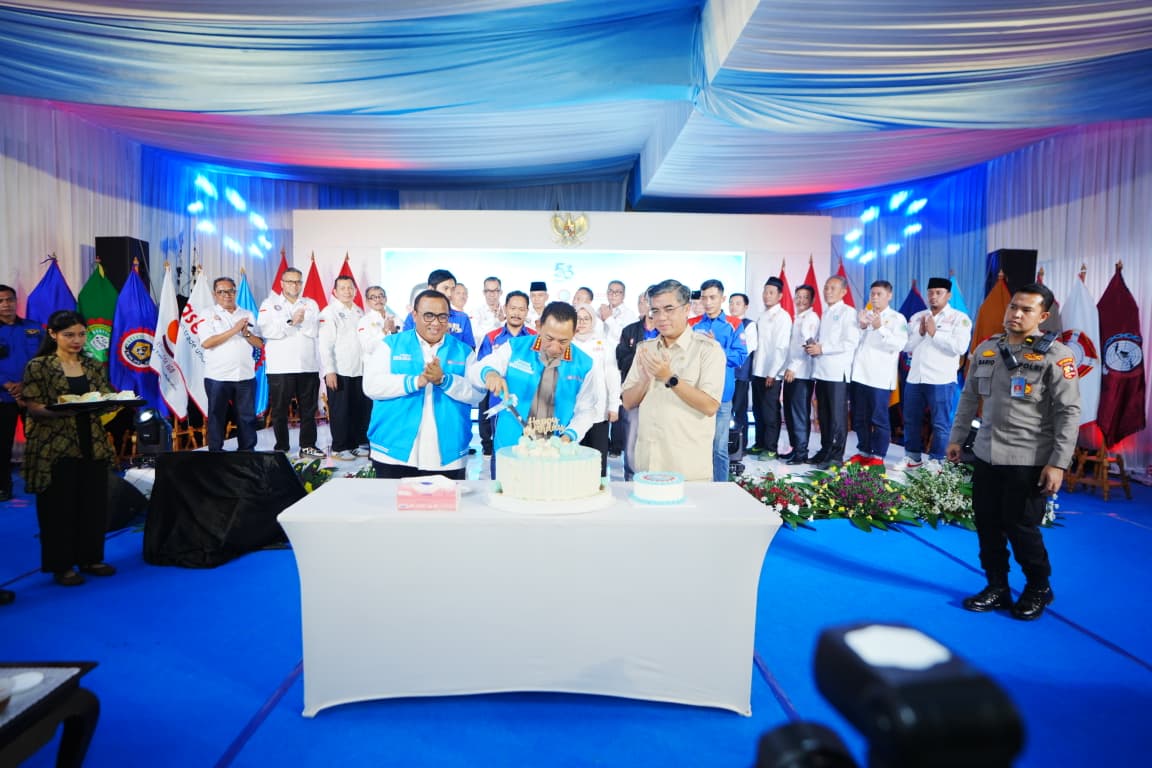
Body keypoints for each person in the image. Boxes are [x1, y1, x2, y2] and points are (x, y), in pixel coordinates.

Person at [947, 283, 1079, 621]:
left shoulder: (1057, 356)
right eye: (1013, 307)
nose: (1016, 314)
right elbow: (968, 398)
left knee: (1021, 528)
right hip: (987, 454)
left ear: (1043, 316)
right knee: (987, 524)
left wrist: (1058, 463)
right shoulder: (987, 349)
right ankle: (997, 586)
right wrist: (957, 438)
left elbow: (1068, 412)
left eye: (1026, 310)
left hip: (1028, 458)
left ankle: (1038, 587)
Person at [20, 310, 117, 586]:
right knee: (57, 508)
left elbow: (103, 397)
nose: (77, 340)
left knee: (93, 504)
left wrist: (115, 402)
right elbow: (33, 406)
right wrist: (62, 411)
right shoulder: (39, 365)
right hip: (55, 444)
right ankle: (61, 566)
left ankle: (91, 558)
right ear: (52, 334)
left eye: (81, 334)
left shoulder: (93, 364)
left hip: (92, 442)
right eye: (69, 335)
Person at [363, 290, 483, 479]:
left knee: (447, 499)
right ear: (414, 315)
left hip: (448, 454)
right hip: (393, 451)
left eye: (442, 316)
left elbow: (478, 392)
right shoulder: (390, 345)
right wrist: (415, 381)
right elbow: (371, 385)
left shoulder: (464, 351)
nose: (436, 323)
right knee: (391, 499)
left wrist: (444, 380)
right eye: (429, 315)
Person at [622, 280, 725, 482]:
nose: (661, 317)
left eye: (669, 309)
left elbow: (710, 406)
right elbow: (627, 402)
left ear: (686, 308)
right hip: (648, 465)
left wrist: (669, 377)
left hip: (686, 467)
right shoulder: (645, 349)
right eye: (655, 311)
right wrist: (644, 380)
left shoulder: (708, 350)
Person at [472, 301, 598, 464]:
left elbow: (586, 410)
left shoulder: (584, 365)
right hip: (510, 449)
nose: (554, 348)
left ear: (574, 333)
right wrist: (490, 374)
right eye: (549, 338)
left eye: (563, 341)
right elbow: (476, 371)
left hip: (555, 453)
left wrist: (569, 436)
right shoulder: (515, 348)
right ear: (539, 327)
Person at [898, 277, 973, 469]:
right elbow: (906, 346)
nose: (933, 296)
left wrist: (935, 334)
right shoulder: (917, 317)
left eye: (939, 292)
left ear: (948, 295)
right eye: (930, 292)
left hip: (941, 379)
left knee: (940, 423)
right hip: (915, 378)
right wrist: (921, 333)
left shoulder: (960, 318)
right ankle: (913, 457)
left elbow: (960, 347)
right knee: (911, 420)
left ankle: (936, 461)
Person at [258, 267, 324, 459]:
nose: (294, 285)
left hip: (308, 365)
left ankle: (308, 446)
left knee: (308, 410)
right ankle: (282, 447)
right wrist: (291, 322)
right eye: (290, 281)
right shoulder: (269, 304)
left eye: (298, 281)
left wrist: (299, 323)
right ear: (282, 283)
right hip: (281, 367)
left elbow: (315, 330)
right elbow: (267, 331)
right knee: (279, 410)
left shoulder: (310, 303)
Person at [689, 279, 747, 481]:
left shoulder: (735, 324)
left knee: (720, 448)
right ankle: (696, 483)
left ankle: (721, 488)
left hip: (722, 394)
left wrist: (716, 348)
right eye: (704, 298)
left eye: (712, 297)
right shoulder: (693, 324)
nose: (707, 302)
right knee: (696, 445)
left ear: (722, 299)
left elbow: (740, 357)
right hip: (696, 394)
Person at [847, 281, 909, 466]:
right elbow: (852, 343)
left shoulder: (897, 318)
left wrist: (880, 328)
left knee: (879, 418)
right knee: (860, 417)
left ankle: (878, 456)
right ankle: (864, 451)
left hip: (880, 378)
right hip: (859, 375)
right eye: (872, 293)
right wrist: (861, 327)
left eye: (879, 294)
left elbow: (900, 345)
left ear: (889, 295)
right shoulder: (865, 315)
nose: (874, 297)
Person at [199, 277, 264, 451]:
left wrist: (246, 333)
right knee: (217, 416)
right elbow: (207, 342)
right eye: (221, 292)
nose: (226, 295)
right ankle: (216, 452)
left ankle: (247, 452)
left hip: (245, 375)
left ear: (235, 292)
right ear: (214, 294)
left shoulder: (247, 314)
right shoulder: (207, 314)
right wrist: (235, 330)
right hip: (218, 376)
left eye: (230, 291)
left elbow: (259, 343)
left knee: (246, 417)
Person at [805, 276, 860, 469]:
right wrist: (813, 346)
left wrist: (822, 348)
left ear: (843, 292)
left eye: (833, 288)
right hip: (822, 371)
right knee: (824, 414)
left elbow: (850, 342)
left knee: (837, 417)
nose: (828, 291)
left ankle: (836, 455)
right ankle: (825, 449)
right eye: (826, 287)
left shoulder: (848, 312)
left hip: (837, 372)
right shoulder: (826, 312)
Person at [476, 290, 535, 457]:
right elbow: (482, 368)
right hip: (499, 402)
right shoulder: (491, 337)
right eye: (513, 308)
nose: (516, 313)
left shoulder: (535, 338)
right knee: (501, 451)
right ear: (505, 309)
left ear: (527, 311)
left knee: (530, 450)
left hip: (528, 403)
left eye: (521, 309)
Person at [319, 275, 369, 460]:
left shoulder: (359, 312)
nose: (347, 291)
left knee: (357, 408)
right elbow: (325, 345)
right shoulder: (329, 312)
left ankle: (355, 444)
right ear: (335, 292)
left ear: (355, 290)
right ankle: (339, 447)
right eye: (343, 288)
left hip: (359, 369)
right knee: (340, 410)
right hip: (339, 369)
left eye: (350, 288)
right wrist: (329, 370)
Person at [0, 284, 42, 501]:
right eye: (0, 301)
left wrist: (25, 385)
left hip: (32, 394)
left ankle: (39, 482)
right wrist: (6, 384)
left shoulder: (34, 328)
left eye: (9, 299)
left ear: (16, 301)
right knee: (2, 446)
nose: (6, 304)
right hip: (2, 396)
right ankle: (3, 487)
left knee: (39, 442)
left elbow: (44, 360)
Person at [573, 305, 620, 477]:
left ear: (593, 321)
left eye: (586, 318)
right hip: (573, 411)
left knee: (597, 457)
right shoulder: (567, 343)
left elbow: (612, 376)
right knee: (575, 458)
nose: (582, 322)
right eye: (578, 318)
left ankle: (599, 486)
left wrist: (614, 405)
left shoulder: (603, 344)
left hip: (598, 410)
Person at [615, 290, 657, 480]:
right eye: (645, 302)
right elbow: (621, 359)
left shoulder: (667, 332)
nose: (649, 306)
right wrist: (642, 356)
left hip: (659, 392)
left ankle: (656, 476)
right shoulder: (630, 331)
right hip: (634, 391)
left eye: (652, 302)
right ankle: (631, 477)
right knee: (631, 437)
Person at [749, 278, 790, 458]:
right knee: (758, 410)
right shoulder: (762, 316)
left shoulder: (783, 317)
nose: (767, 295)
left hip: (771, 374)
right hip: (758, 371)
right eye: (765, 292)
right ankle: (759, 443)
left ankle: (771, 448)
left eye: (771, 292)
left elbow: (782, 348)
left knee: (770, 412)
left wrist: (772, 373)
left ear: (780, 296)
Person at [782, 285, 820, 464]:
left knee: (799, 414)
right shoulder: (798, 318)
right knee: (789, 413)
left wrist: (794, 367)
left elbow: (808, 345)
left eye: (805, 297)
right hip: (792, 372)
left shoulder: (811, 318)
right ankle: (794, 448)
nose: (801, 300)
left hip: (801, 373)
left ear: (812, 300)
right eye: (798, 296)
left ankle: (801, 452)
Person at [402, 269, 476, 348]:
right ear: (431, 289)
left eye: (452, 289)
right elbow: (404, 346)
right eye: (445, 288)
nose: (449, 294)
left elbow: (470, 351)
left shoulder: (462, 318)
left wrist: (448, 339)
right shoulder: (414, 316)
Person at [727, 293, 757, 457]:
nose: (733, 306)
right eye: (731, 303)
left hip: (740, 374)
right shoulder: (726, 323)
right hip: (726, 374)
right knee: (726, 409)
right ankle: (726, 444)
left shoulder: (749, 325)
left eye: (738, 303)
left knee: (739, 410)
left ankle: (741, 446)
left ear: (746, 307)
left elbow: (747, 349)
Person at [357, 285, 398, 357]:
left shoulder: (395, 318)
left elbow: (402, 343)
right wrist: (384, 331)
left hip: (394, 360)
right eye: (373, 297)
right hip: (376, 362)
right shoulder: (364, 321)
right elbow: (367, 348)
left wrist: (394, 331)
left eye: (381, 296)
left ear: (386, 299)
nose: (378, 299)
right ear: (367, 301)